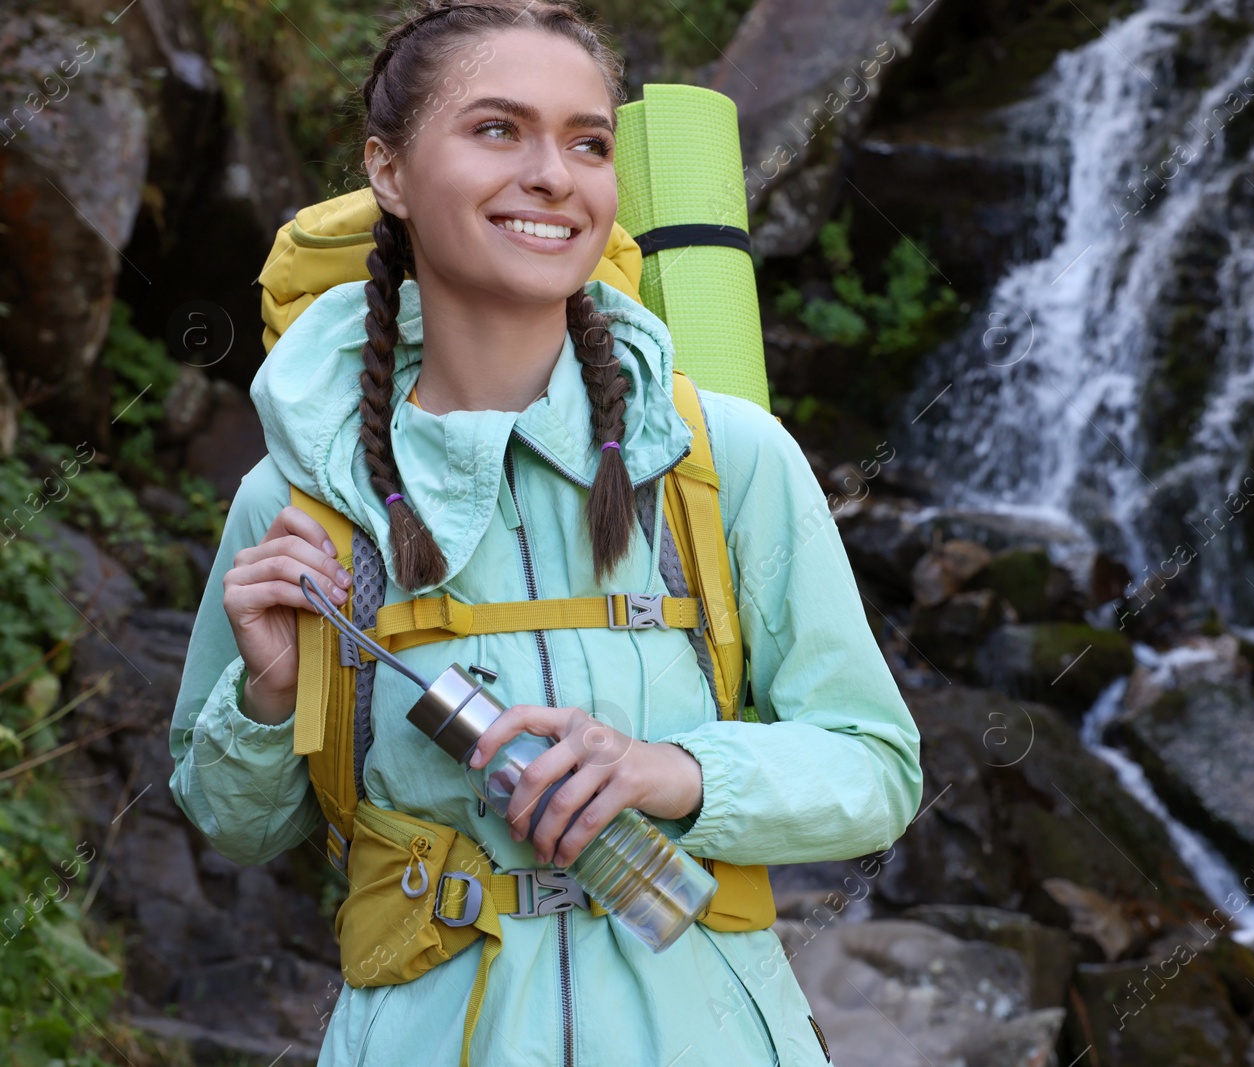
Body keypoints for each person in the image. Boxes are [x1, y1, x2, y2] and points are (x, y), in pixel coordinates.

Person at [166, 2, 923, 1065]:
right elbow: (238, 826)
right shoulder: (304, 498)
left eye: (588, 141)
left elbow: (877, 769)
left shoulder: (723, 460)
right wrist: (271, 693)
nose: (554, 175)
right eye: (496, 129)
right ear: (387, 171)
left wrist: (673, 771)